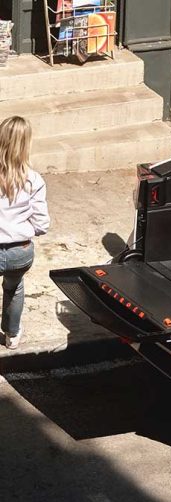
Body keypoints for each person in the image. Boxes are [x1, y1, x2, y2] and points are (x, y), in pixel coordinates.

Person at [0, 116, 50, 350]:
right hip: (20, 251)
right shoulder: (33, 179)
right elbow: (42, 224)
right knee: (14, 287)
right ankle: (12, 334)